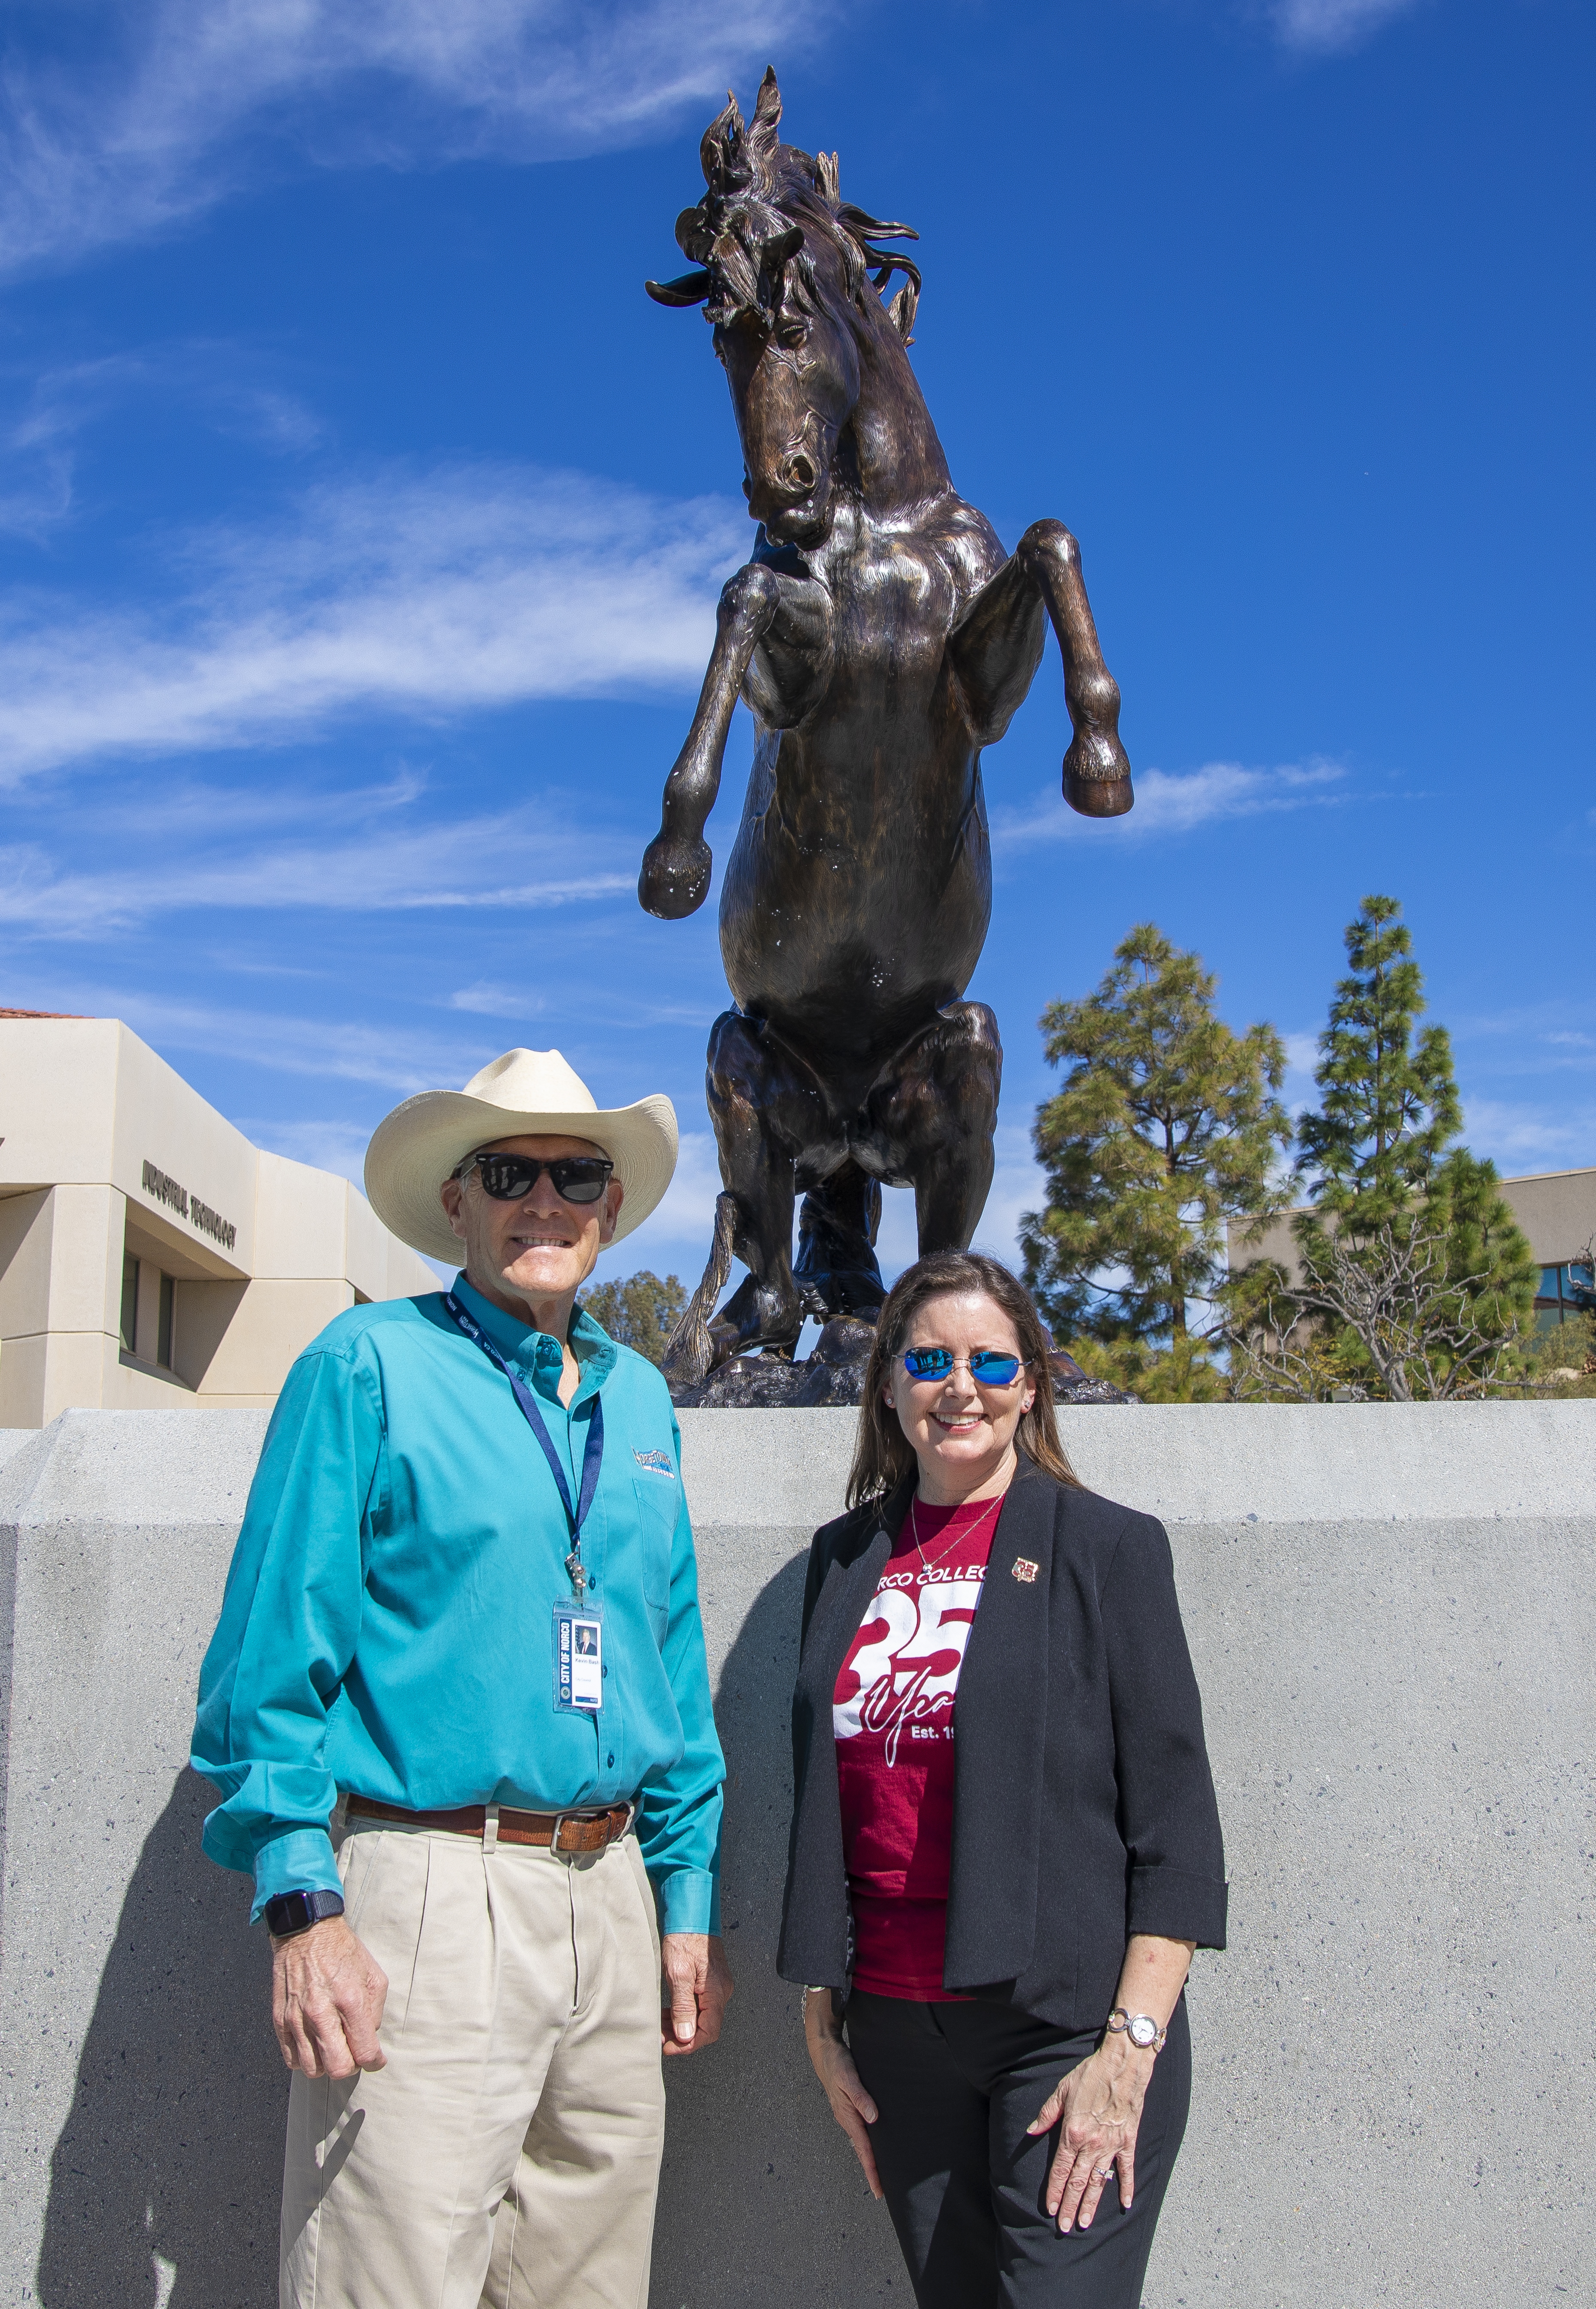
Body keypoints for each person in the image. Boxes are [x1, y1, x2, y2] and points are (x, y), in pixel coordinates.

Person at [191, 1046, 731, 2309]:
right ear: (457, 1202)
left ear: (608, 1205)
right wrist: (301, 1908)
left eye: (574, 1173)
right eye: (509, 1171)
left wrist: (684, 1888)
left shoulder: (642, 1400)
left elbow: (673, 1662)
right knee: (388, 2282)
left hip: (612, 1902)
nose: (543, 1200)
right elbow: (269, 1658)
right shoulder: (366, 1364)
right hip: (428, 1886)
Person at [777, 1250, 1226, 2308]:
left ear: (1030, 1381)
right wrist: (820, 2005)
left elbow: (1175, 1825)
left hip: (1060, 2029)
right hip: (893, 2030)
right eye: (928, 1357)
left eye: (989, 1359)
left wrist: (1130, 2046)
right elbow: (821, 1797)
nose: (958, 1385)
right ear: (887, 1382)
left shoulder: (1106, 1548)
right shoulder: (843, 1556)